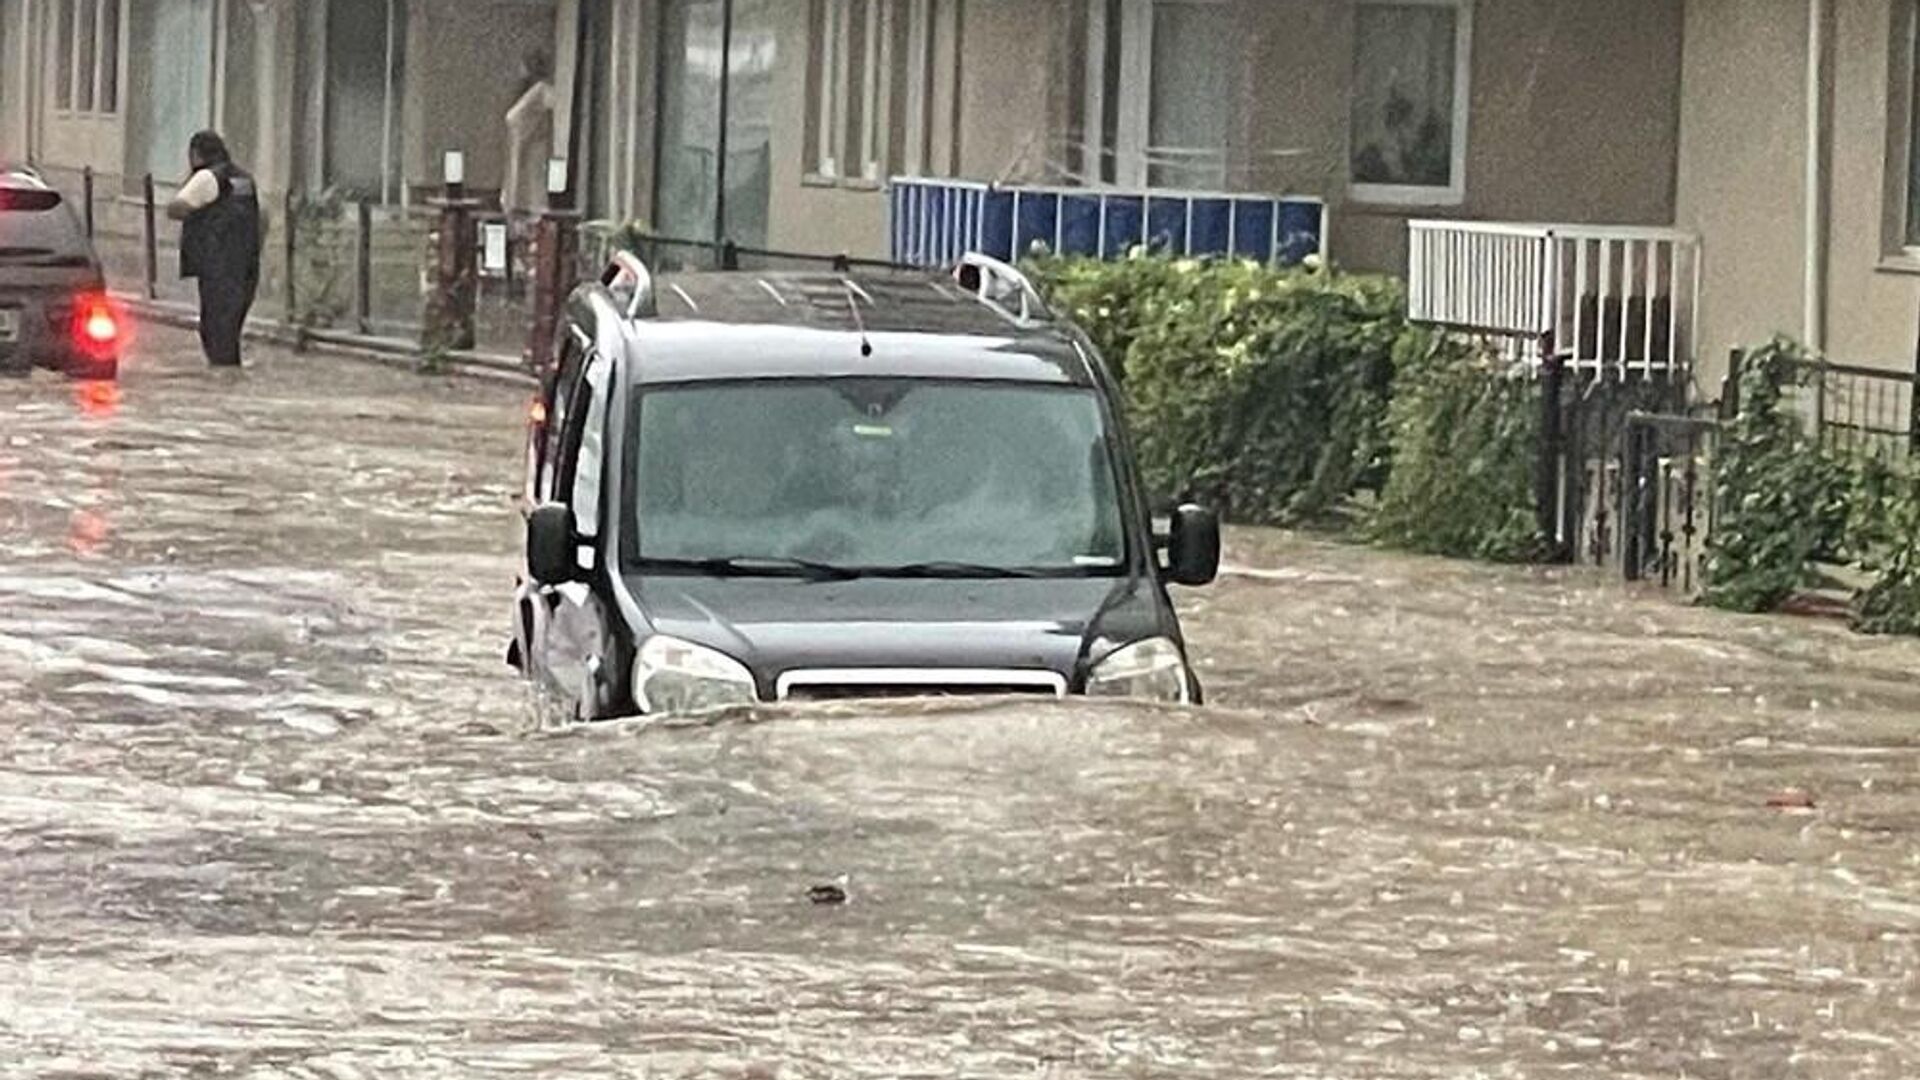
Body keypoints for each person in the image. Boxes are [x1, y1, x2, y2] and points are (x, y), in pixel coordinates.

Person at [166, 130, 261, 369]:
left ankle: (223, 376)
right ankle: (230, 375)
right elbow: (263, 217)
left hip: (217, 268)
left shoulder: (207, 177)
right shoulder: (244, 180)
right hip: (246, 266)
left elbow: (177, 207)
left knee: (214, 330)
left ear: (196, 154)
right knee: (230, 331)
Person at [503, 49, 556, 218]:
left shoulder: (543, 90)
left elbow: (550, 106)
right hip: (521, 148)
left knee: (534, 187)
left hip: (536, 148)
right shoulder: (528, 92)